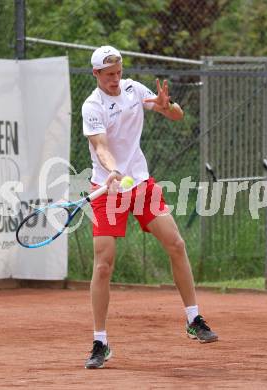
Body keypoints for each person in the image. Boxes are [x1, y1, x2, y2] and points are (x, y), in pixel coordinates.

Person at [81, 45, 218, 369]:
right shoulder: (92, 105)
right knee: (104, 264)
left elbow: (175, 114)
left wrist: (166, 106)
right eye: (109, 75)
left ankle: (194, 319)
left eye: (119, 72)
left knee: (176, 243)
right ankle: (100, 342)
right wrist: (113, 170)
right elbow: (100, 146)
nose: (116, 79)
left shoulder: (133, 90)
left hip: (140, 183)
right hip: (107, 189)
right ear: (96, 74)